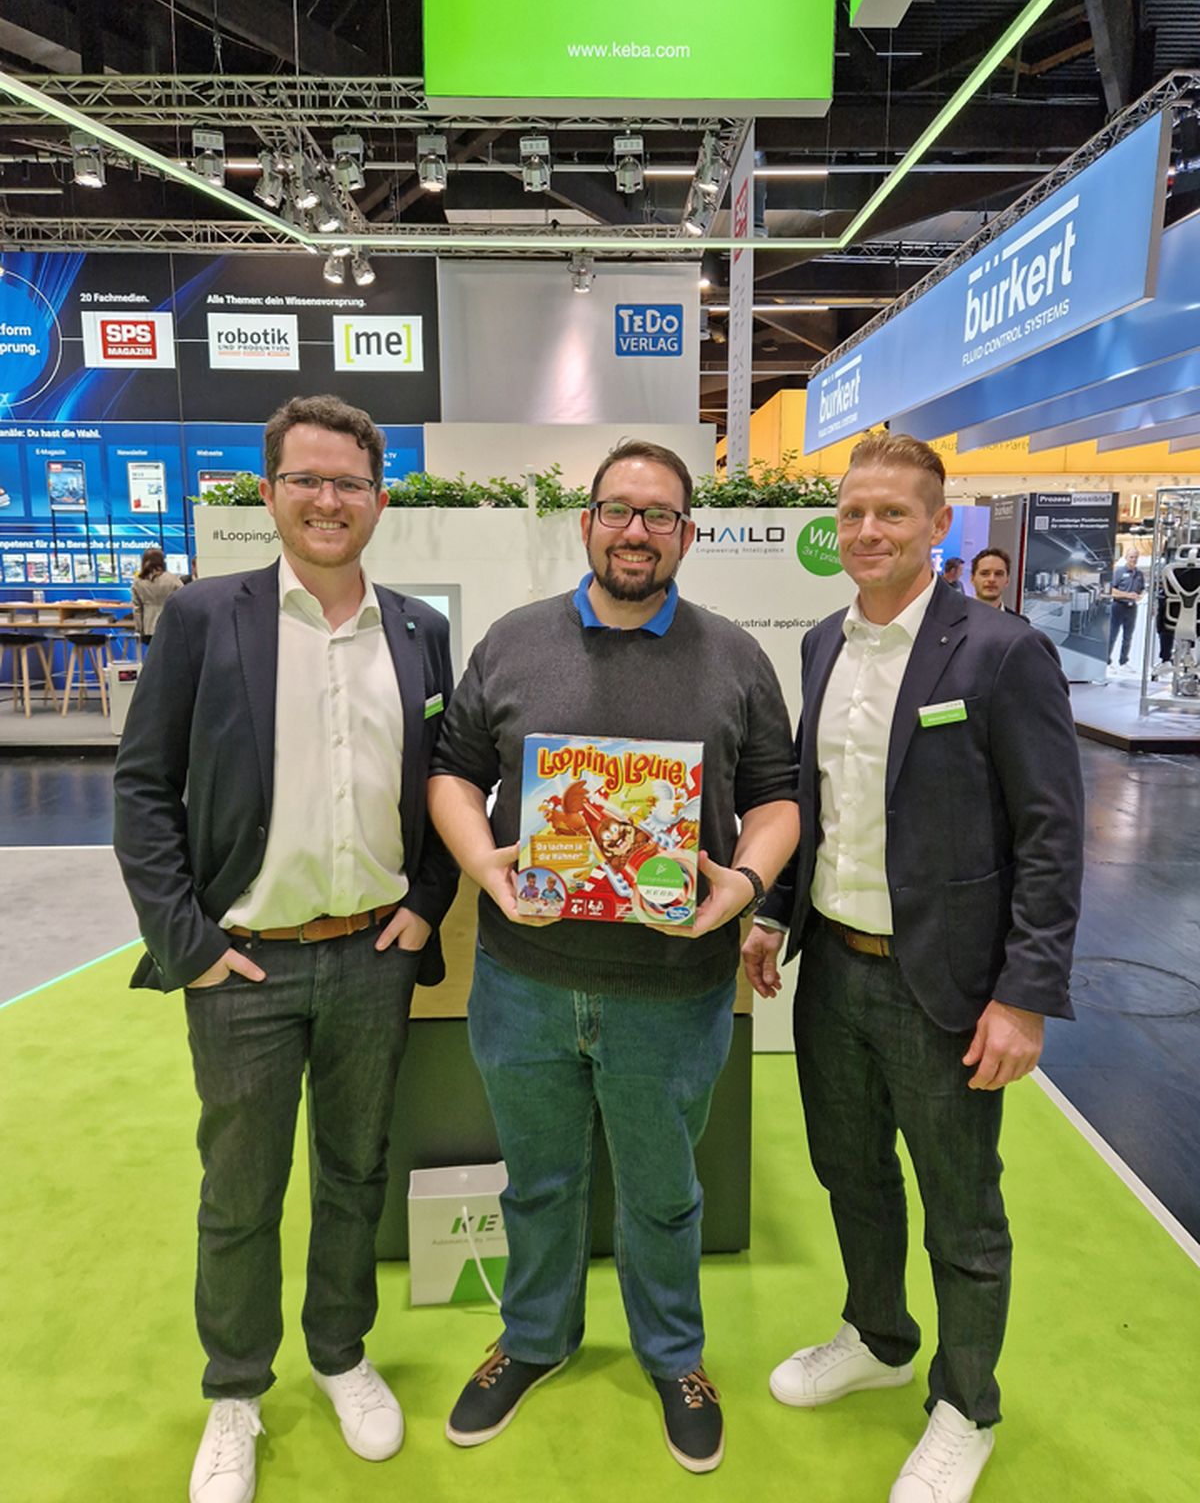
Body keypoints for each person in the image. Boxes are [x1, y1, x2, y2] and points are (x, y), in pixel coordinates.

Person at [428, 439, 799, 1475]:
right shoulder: (512, 643)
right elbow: (454, 773)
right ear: (586, 520)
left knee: (663, 1191)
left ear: (689, 532)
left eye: (660, 515)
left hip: (673, 991)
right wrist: (486, 868)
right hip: (525, 981)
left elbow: (777, 796)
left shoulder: (734, 658)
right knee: (539, 1180)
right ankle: (535, 1338)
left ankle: (673, 1352)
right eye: (619, 510)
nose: (637, 530)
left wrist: (743, 884)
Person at [113, 394, 458, 1503]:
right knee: (241, 1186)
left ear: (378, 497)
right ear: (269, 493)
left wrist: (425, 906)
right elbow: (143, 790)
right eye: (304, 479)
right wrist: (190, 944)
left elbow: (450, 785)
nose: (326, 499)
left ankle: (342, 1351)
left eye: (347, 482)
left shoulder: (419, 630)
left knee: (355, 1171)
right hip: (243, 966)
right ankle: (236, 1389)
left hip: (372, 956)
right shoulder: (209, 620)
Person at [742, 433, 1083, 1503]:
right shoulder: (819, 647)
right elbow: (823, 808)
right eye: (852, 514)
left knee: (960, 1204)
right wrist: (770, 917)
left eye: (894, 513)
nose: (869, 532)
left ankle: (965, 1401)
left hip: (944, 986)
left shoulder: (1000, 653)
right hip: (833, 967)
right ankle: (880, 1334)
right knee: (851, 1171)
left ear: (941, 526)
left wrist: (1024, 996)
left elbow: (1050, 834)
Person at [130, 545, 184, 643]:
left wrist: (139, 629)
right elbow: (184, 601)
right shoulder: (173, 579)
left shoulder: (138, 581)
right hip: (170, 626)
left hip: (148, 627)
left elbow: (137, 608)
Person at [1108, 548, 1145, 669]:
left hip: (1132, 608)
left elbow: (1142, 589)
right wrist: (1127, 595)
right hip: (1118, 606)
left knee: (1128, 636)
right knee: (1113, 634)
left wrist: (1140, 596)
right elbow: (1111, 590)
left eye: (1135, 557)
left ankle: (1123, 661)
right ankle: (1106, 661)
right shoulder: (1119, 572)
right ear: (1126, 557)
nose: (1134, 560)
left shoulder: (1139, 574)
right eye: (1131, 557)